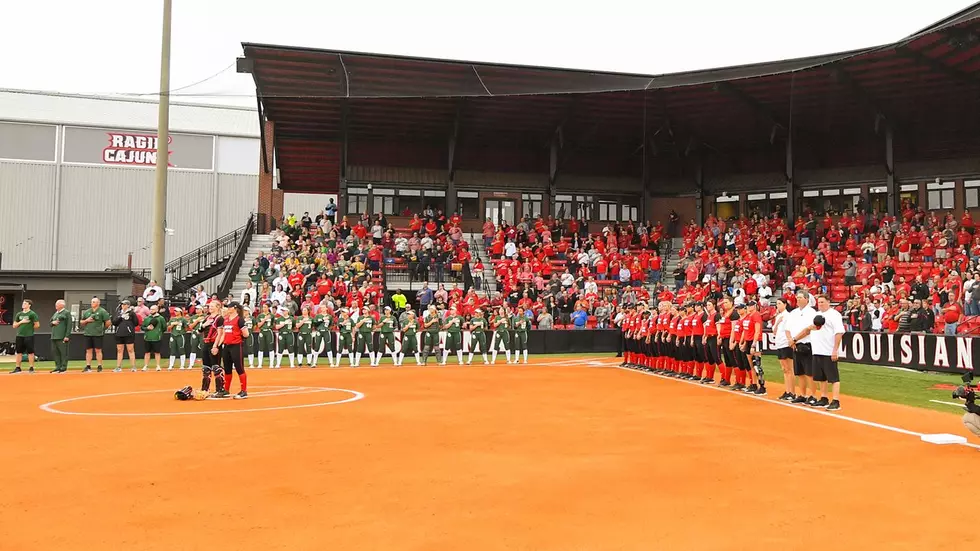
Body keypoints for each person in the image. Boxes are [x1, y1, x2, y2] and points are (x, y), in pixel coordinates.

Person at [795, 296, 844, 411]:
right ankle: (824, 397)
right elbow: (811, 328)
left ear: (829, 302)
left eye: (822, 302)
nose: (820, 304)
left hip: (828, 350)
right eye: (819, 302)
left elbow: (839, 333)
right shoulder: (816, 315)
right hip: (817, 350)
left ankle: (836, 400)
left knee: (833, 377)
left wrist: (835, 350)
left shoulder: (834, 315)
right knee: (821, 377)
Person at [213, 303, 249, 400]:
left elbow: (246, 334)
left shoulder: (240, 320)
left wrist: (238, 337)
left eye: (229, 307)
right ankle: (226, 390)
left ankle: (244, 391)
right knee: (227, 368)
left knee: (239, 368)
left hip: (236, 346)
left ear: (235, 308)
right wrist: (218, 345)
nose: (228, 309)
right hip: (227, 346)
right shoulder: (226, 319)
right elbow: (224, 333)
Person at [787, 291, 817, 405]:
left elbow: (808, 329)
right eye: (797, 298)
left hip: (806, 344)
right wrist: (791, 340)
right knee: (799, 372)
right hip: (795, 344)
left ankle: (813, 395)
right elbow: (787, 328)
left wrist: (794, 339)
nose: (798, 299)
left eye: (800, 298)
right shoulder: (793, 312)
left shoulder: (811, 312)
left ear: (806, 299)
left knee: (809, 372)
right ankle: (803, 394)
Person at [771, 298, 795, 400]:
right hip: (779, 343)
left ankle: (792, 392)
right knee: (784, 369)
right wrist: (777, 322)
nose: (778, 305)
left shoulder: (788, 316)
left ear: (785, 304)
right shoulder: (779, 316)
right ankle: (788, 390)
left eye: (780, 303)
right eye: (777, 304)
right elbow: (774, 331)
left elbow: (788, 329)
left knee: (789, 369)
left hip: (786, 344)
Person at [80, 297, 111, 373]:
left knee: (98, 350)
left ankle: (99, 365)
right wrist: (87, 320)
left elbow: (108, 322)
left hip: (98, 334)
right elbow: (81, 321)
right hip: (88, 333)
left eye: (94, 302)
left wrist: (102, 329)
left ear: (98, 303)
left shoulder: (102, 311)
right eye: (91, 302)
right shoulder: (87, 312)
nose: (92, 303)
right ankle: (88, 366)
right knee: (88, 350)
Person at [11, 300, 40, 374]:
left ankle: (31, 367)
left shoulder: (32, 314)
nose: (23, 305)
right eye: (23, 303)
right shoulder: (19, 314)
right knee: (19, 352)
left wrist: (29, 327)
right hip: (19, 335)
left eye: (25, 303)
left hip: (29, 335)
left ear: (29, 305)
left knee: (30, 352)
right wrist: (21, 322)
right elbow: (14, 325)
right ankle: (18, 367)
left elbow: (37, 325)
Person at [113, 300, 140, 372]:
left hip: (129, 334)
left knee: (130, 350)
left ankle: (133, 367)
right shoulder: (118, 313)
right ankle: (118, 367)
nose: (123, 306)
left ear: (128, 305)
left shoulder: (131, 313)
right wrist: (121, 317)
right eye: (122, 304)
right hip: (119, 333)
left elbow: (136, 323)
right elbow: (114, 322)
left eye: (124, 304)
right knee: (119, 350)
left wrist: (129, 318)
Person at [141, 305, 166, 371]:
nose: (151, 310)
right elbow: (142, 327)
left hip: (157, 338)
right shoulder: (147, 318)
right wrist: (147, 328)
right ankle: (146, 365)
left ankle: (158, 365)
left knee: (157, 352)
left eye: (153, 309)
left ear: (157, 310)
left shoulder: (161, 318)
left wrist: (159, 333)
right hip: (147, 337)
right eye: (150, 309)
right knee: (147, 352)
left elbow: (164, 328)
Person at [49, 299, 72, 373]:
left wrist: (67, 336)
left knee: (63, 352)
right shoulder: (55, 313)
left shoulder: (66, 313)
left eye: (57, 304)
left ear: (62, 305)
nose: (56, 305)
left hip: (62, 336)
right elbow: (50, 323)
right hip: (54, 336)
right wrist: (53, 322)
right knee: (56, 352)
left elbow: (69, 325)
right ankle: (57, 366)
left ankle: (63, 367)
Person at [255, 302, 275, 368]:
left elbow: (273, 324)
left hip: (269, 331)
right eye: (263, 307)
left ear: (268, 308)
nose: (264, 308)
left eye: (265, 307)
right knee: (261, 347)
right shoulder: (260, 316)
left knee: (270, 347)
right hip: (262, 331)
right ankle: (260, 364)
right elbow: (259, 325)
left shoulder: (272, 315)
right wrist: (265, 319)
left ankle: (271, 364)